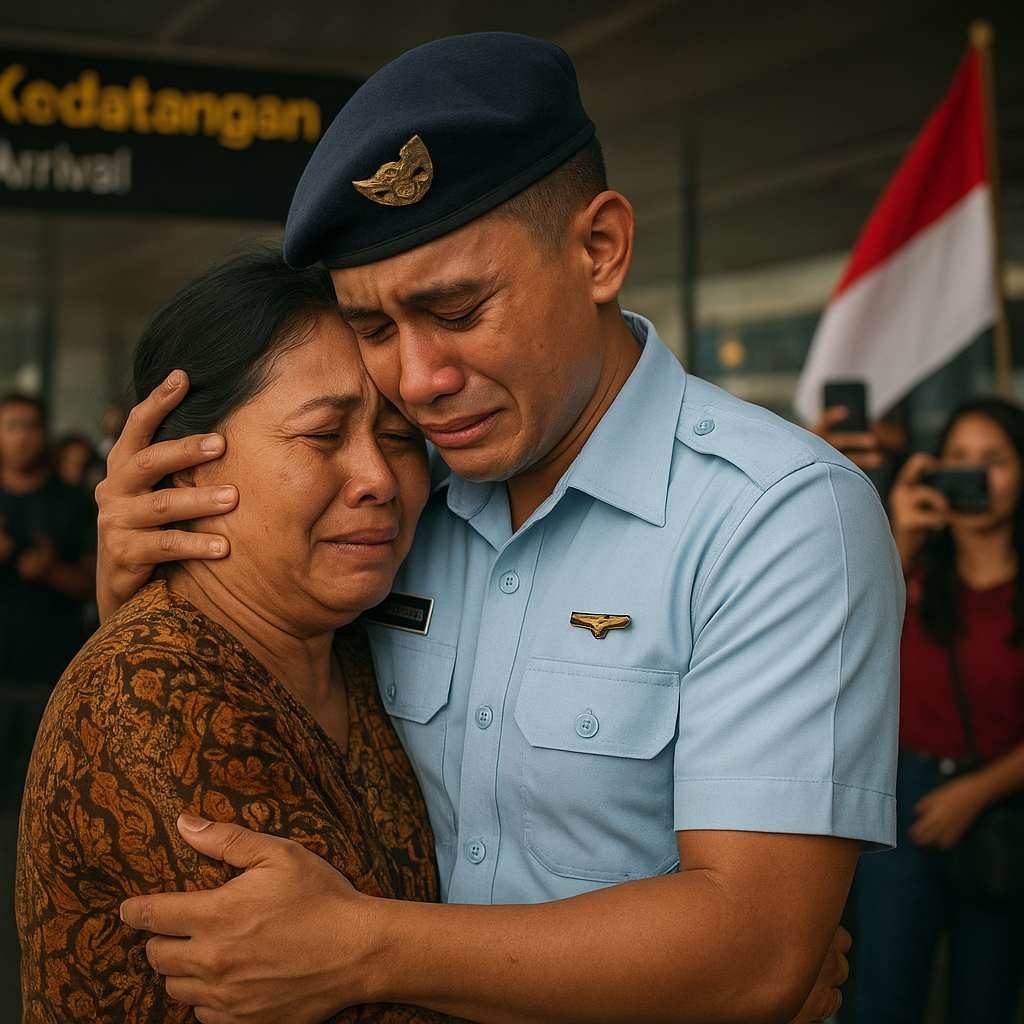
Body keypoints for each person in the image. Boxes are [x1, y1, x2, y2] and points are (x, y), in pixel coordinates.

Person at [100, 33, 903, 1024]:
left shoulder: (771, 515)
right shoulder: (393, 494)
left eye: (457, 309)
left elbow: (754, 951)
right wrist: (144, 597)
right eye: (375, 328)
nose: (417, 380)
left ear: (599, 249)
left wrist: (361, 949)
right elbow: (247, 729)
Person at [16, 248, 468, 1024]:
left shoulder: (354, 641)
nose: (379, 478)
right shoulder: (154, 689)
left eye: (399, 436)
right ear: (182, 466)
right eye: (323, 434)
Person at [853, 397, 1024, 1024]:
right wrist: (899, 536)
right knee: (884, 996)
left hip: (1001, 803)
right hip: (897, 800)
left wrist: (975, 793)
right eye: (958, 458)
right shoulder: (908, 569)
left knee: (986, 999)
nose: (973, 474)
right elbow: (846, 647)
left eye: (993, 459)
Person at [0, 393, 96, 806]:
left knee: (41, 798)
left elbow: (94, 586)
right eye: (12, 426)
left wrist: (51, 571)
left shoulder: (71, 502)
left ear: (45, 433)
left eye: (31, 426)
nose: (22, 437)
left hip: (53, 673)